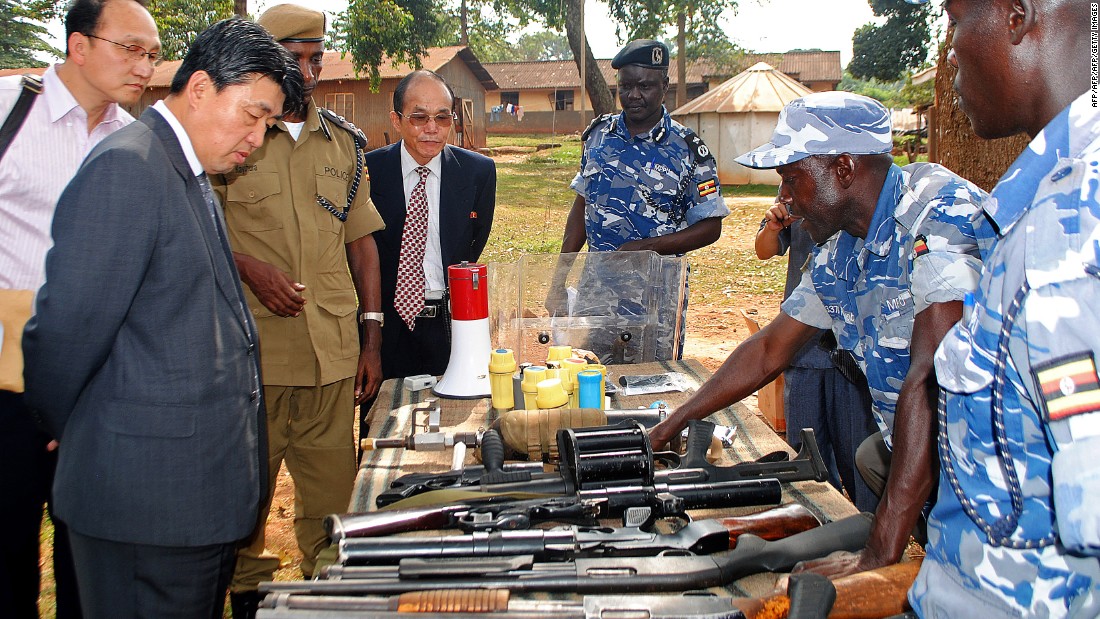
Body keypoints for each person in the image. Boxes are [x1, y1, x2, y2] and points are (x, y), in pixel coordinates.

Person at [21, 18, 301, 618]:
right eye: (252, 115)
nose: (258, 137)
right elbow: (65, 333)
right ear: (199, 87)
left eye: (270, 124)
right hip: (146, 504)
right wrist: (74, 424)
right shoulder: (129, 168)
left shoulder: (186, 169)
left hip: (190, 501)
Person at [649, 91, 986, 578]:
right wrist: (673, 423)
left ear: (844, 169)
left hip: (987, 474)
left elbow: (934, 387)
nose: (784, 199)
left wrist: (879, 552)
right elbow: (768, 349)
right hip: (926, 467)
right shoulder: (840, 250)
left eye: (791, 180)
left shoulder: (937, 213)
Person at [904, 0, 1100, 615]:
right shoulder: (1053, 197)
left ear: (1016, 16)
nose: (950, 51)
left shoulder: (1065, 234)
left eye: (956, 21)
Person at [211, 6, 386, 615]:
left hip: (333, 361)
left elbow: (361, 241)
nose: (310, 71)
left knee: (334, 516)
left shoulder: (344, 144)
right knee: (242, 516)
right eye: (297, 58)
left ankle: (328, 604)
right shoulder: (232, 140)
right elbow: (191, 230)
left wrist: (371, 340)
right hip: (251, 364)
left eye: (317, 58)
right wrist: (250, 269)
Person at [0, 0, 159, 615]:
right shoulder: (14, 108)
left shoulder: (134, 141)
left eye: (151, 53)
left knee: (90, 550)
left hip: (97, 378)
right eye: (130, 48)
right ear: (78, 45)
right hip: (8, 375)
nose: (144, 66)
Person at [560, 39, 728, 361]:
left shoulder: (689, 150)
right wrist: (559, 278)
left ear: (664, 86)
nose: (634, 95)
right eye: (626, 86)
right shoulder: (598, 137)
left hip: (656, 296)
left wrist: (645, 247)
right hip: (598, 291)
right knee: (588, 381)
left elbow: (711, 227)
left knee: (653, 386)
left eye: (645, 86)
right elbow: (582, 207)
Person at [362, 69, 496, 436]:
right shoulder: (369, 171)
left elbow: (472, 241)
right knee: (384, 427)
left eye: (442, 117)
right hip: (386, 327)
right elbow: (360, 248)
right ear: (396, 120)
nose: (431, 128)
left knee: (457, 425)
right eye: (419, 117)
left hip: (450, 326)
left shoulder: (478, 172)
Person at [755, 202, 879, 513]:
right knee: (807, 455)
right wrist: (772, 228)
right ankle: (816, 521)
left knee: (858, 453)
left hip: (851, 354)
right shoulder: (796, 195)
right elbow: (763, 250)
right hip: (804, 350)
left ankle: (870, 532)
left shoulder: (859, 196)